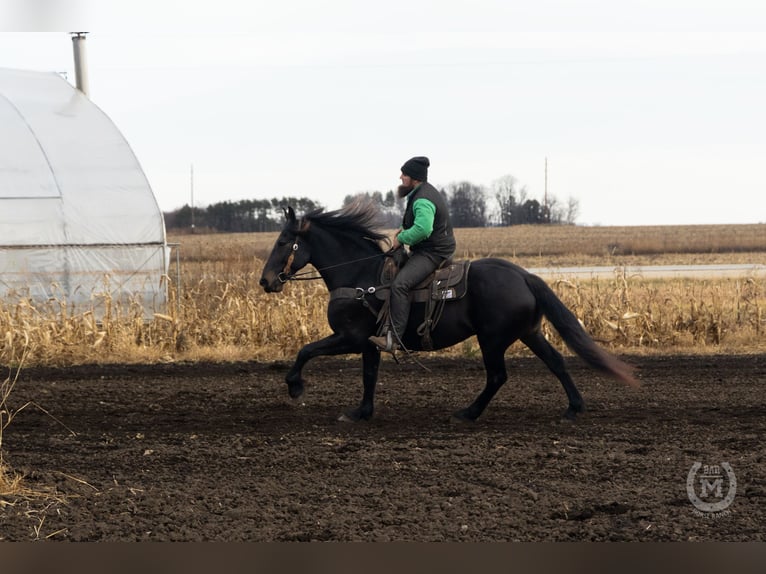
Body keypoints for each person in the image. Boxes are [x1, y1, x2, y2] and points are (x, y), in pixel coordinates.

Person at [369, 156, 456, 352]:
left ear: (414, 178)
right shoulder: (421, 193)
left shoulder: (422, 199)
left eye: (404, 174)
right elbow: (416, 223)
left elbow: (424, 229)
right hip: (430, 248)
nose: (401, 177)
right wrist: (402, 230)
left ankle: (395, 339)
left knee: (400, 285)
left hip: (433, 253)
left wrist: (402, 238)